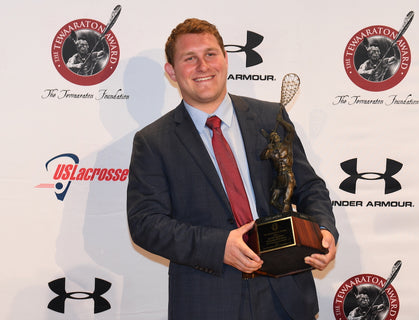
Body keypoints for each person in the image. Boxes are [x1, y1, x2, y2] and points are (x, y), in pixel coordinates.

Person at [127, 18, 338, 320]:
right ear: (171, 71)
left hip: (287, 297)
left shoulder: (270, 117)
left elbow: (308, 187)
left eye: (211, 54)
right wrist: (219, 246)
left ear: (225, 60)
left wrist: (324, 230)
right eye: (190, 58)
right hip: (207, 301)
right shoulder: (153, 141)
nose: (203, 66)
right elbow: (145, 224)